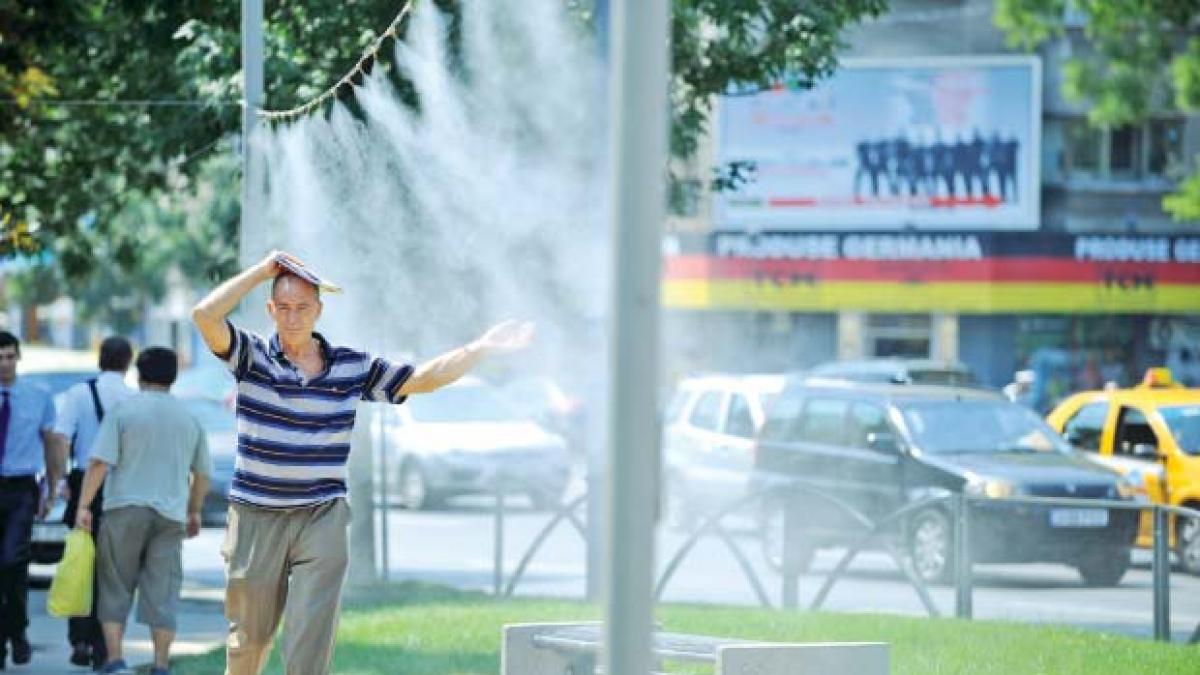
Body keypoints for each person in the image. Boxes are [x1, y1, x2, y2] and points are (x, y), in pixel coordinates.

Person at [191, 251, 533, 675]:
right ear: (270, 310)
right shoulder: (250, 356)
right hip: (256, 515)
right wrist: (263, 271)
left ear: (318, 310)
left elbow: (422, 379)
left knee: (310, 641)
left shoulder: (352, 365)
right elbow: (204, 315)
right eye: (284, 308)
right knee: (251, 640)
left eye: (302, 307)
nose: (293, 317)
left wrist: (480, 348)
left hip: (321, 514)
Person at [75, 347, 211, 675]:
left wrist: (83, 505)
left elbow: (99, 462)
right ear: (173, 376)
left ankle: (115, 661)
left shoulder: (123, 412)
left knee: (114, 586)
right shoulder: (189, 418)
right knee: (163, 591)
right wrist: (194, 511)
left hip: (124, 509)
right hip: (171, 516)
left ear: (139, 374)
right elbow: (202, 474)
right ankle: (161, 665)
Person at [52, 335, 135, 670]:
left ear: (100, 358)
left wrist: (61, 479)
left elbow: (61, 438)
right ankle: (104, 646)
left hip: (83, 483)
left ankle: (80, 639)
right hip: (120, 487)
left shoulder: (78, 394)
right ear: (128, 362)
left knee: (80, 562)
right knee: (111, 570)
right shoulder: (133, 398)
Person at [0, 330, 67, 669]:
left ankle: (17, 630)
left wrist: (53, 489)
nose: (4, 364)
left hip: (21, 489)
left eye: (9, 356)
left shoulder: (38, 396)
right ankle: (7, 637)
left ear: (18, 357)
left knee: (12, 562)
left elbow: (52, 444)